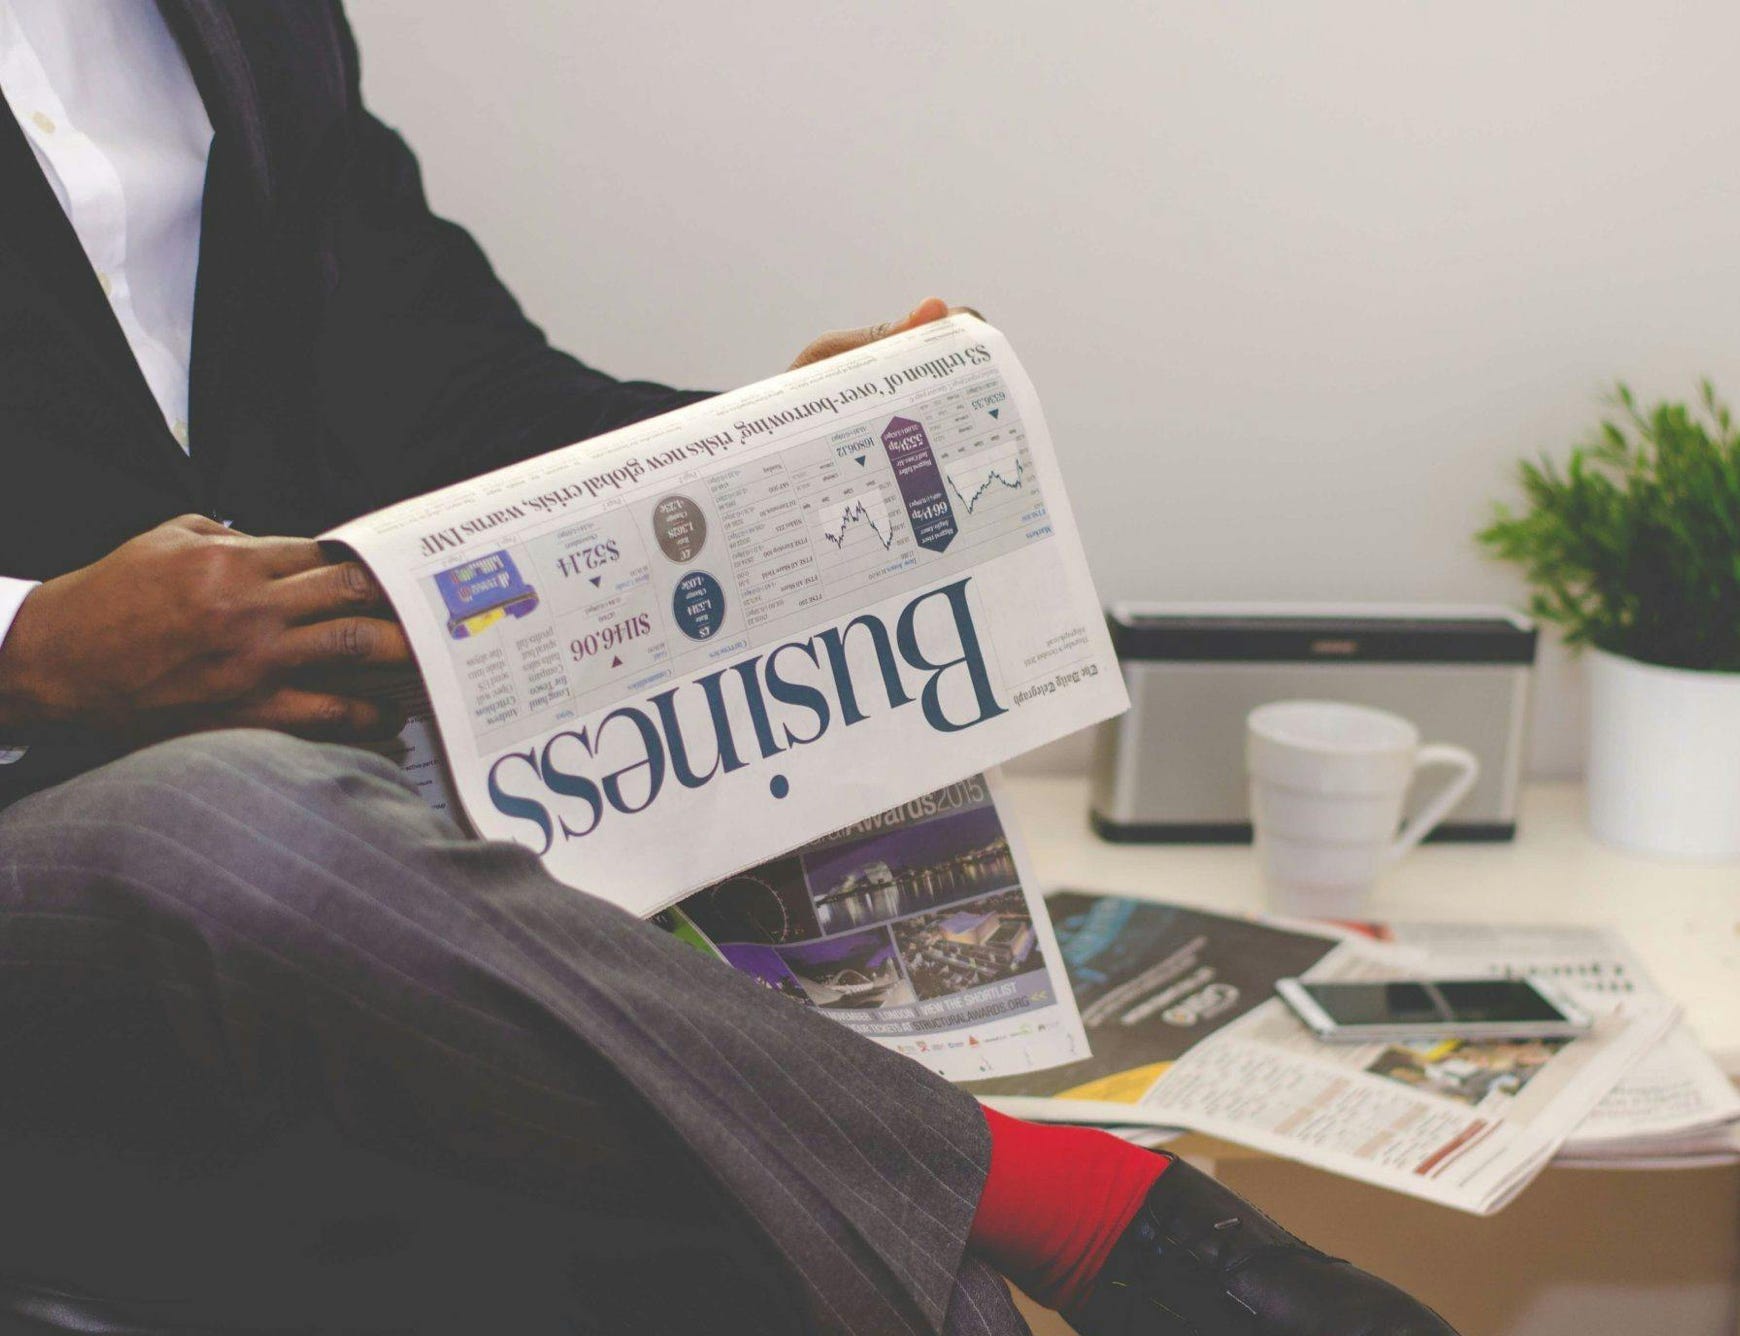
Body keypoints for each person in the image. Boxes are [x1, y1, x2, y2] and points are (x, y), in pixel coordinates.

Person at [0, 3, 1458, 1332]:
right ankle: (1096, 1210)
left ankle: (1060, 1226)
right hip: (119, 837)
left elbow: (452, 398)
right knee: (235, 822)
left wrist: (773, 441)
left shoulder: (256, 24)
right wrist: (29, 646)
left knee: (815, 1227)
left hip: (355, 851)